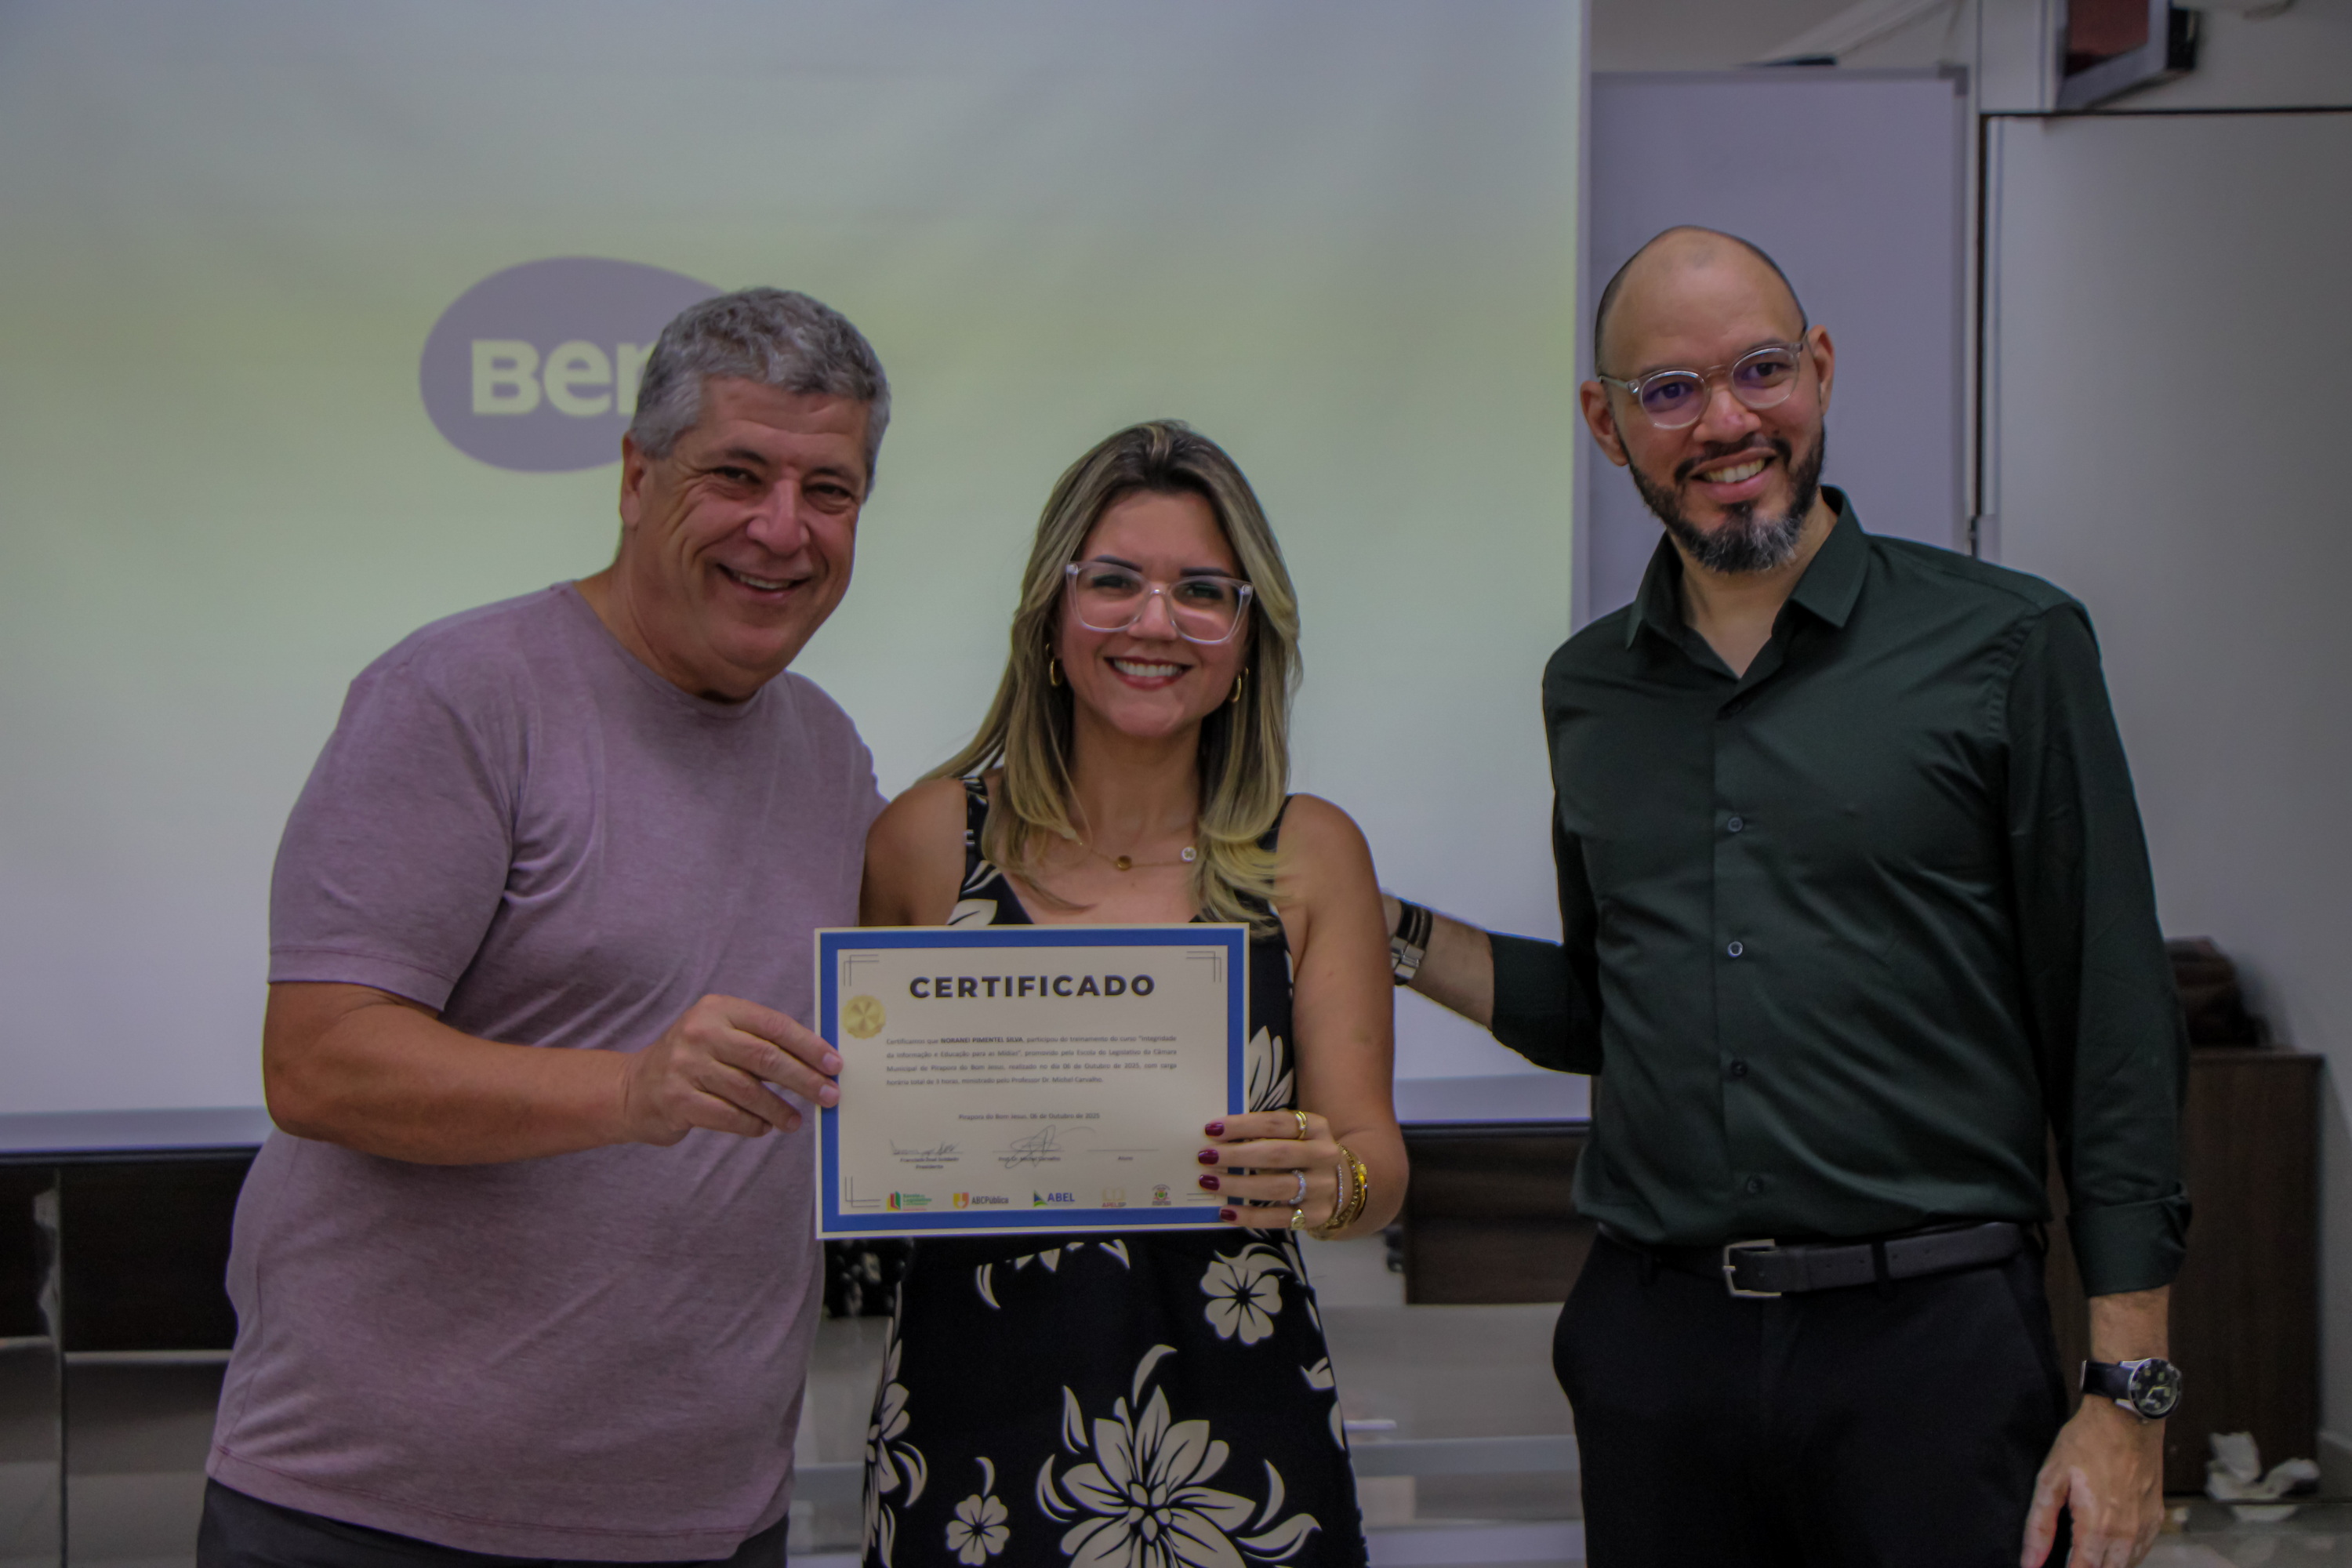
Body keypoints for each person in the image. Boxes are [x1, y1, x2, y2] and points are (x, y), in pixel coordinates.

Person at [1385, 228, 2188, 1568]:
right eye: (1670, 391)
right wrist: (1385, 933)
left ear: (1819, 368)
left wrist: (2130, 1394)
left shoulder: (2010, 645)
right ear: (1606, 423)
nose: (1726, 422)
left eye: (1760, 370)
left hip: (1932, 1351)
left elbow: (2115, 1032)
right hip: (1658, 1354)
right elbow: (1611, 1010)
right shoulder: (1589, 690)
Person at [201, 289, 893, 1568]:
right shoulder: (461, 696)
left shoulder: (829, 752)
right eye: (736, 475)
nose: (782, 529)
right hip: (380, 1517)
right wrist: (628, 1091)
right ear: (636, 477)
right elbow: (317, 1062)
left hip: (710, 1518)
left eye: (830, 491)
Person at [857, 421, 1403, 1568]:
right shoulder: (926, 841)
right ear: (1052, 615)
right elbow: (864, 1134)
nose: (1156, 622)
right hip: (971, 1440)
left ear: (1247, 636)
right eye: (1114, 581)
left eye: (1202, 591)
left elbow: (1374, 1169)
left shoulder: (1309, 855)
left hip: (1239, 1437)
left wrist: (1332, 1180)